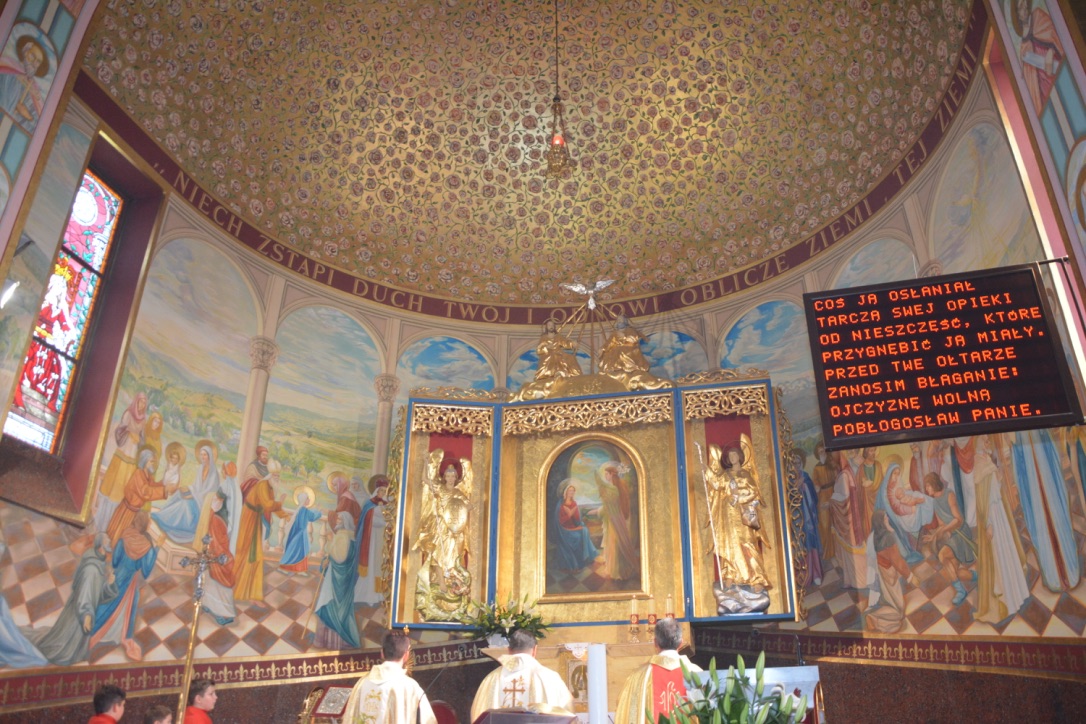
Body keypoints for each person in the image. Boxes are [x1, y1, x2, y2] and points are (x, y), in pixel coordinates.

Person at [30, 533, 118, 665]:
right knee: (65, 647)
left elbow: (96, 593)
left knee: (75, 640)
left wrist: (109, 585)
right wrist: (86, 614)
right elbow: (85, 594)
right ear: (101, 547)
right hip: (79, 612)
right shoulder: (91, 570)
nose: (110, 542)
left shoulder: (98, 562)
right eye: (107, 541)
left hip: (82, 608)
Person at [700, 439, 769, 590]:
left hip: (744, 513)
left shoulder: (745, 474)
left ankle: (756, 578)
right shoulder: (726, 475)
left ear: (739, 457)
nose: (732, 458)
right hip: (729, 514)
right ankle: (730, 575)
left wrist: (738, 497)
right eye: (730, 456)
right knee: (730, 543)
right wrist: (707, 471)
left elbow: (753, 492)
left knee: (748, 542)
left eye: (734, 455)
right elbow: (717, 483)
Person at [91, 511, 159, 661]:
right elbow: (146, 571)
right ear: (145, 525)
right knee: (128, 607)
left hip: (117, 577)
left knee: (106, 602)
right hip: (130, 582)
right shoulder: (146, 545)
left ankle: (94, 628)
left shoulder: (124, 537)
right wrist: (156, 549)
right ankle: (121, 635)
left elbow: (115, 562)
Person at [413, 451, 473, 620]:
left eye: (453, 475)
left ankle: (452, 581)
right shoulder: (439, 488)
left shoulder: (458, 493)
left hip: (453, 530)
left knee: (453, 557)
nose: (451, 478)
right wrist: (426, 463)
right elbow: (425, 479)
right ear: (444, 476)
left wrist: (458, 514)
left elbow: (469, 506)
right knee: (438, 554)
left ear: (456, 478)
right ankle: (440, 581)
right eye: (448, 475)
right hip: (440, 527)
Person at [469, 628, 574, 722]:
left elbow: (478, 715)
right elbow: (566, 715)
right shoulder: (550, 677)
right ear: (535, 650)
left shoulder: (491, 678)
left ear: (509, 650)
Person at [614, 618, 702, 723]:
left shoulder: (638, 676)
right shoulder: (698, 674)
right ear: (681, 643)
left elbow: (624, 710)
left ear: (655, 643)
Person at [341, 630, 436, 724]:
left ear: (382, 653)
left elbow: (349, 719)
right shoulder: (410, 687)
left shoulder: (361, 684)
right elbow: (428, 721)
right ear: (406, 655)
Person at [234, 459, 288, 601]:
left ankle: (251, 592)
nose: (277, 478)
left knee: (256, 556)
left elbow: (271, 506)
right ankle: (239, 590)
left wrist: (284, 515)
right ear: (270, 476)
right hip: (249, 519)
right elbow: (268, 505)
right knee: (246, 553)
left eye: (278, 476)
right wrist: (280, 503)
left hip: (255, 519)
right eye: (275, 476)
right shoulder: (263, 485)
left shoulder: (270, 488)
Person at [920, 472, 976, 606]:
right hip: (952, 535)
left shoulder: (949, 494)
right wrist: (934, 535)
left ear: (934, 484)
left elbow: (958, 520)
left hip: (961, 533)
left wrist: (944, 531)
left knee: (942, 556)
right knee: (954, 572)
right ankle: (975, 576)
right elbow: (941, 525)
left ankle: (961, 591)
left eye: (928, 486)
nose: (926, 489)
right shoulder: (935, 502)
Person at [96, 392, 148, 531]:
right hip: (122, 453)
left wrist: (139, 440)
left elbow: (143, 439)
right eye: (140, 402)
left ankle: (114, 525)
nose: (142, 405)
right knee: (113, 487)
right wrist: (130, 434)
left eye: (144, 403)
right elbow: (119, 431)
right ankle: (102, 523)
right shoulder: (128, 414)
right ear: (136, 402)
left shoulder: (144, 420)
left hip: (132, 457)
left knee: (124, 488)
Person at [106, 447, 173, 547]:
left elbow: (153, 486)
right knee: (120, 533)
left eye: (153, 461)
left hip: (134, 511)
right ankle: (112, 547)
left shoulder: (147, 475)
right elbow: (145, 492)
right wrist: (163, 490)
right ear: (145, 461)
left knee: (127, 536)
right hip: (127, 510)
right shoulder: (138, 473)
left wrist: (164, 484)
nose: (152, 464)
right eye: (151, 461)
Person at [153, 441, 216, 545]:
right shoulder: (201, 468)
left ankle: (172, 524)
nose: (203, 457)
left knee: (185, 503)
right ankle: (164, 514)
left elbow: (209, 492)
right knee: (179, 493)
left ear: (210, 456)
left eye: (205, 455)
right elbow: (196, 486)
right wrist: (188, 488)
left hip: (202, 502)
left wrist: (193, 495)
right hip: (196, 495)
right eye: (201, 455)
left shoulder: (213, 473)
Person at [314, 512, 361, 648]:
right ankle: (339, 641)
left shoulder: (342, 536)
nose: (338, 521)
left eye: (340, 519)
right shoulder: (351, 537)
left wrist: (330, 540)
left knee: (329, 605)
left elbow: (339, 558)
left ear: (345, 522)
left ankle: (329, 641)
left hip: (336, 580)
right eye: (338, 518)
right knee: (342, 611)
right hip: (344, 579)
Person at [193, 491, 237, 625]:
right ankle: (223, 613)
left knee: (209, 583)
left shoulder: (208, 517)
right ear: (209, 502)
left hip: (208, 558)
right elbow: (219, 543)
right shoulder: (216, 520)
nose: (219, 503)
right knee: (221, 587)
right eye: (216, 500)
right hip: (216, 558)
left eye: (221, 501)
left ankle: (207, 604)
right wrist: (228, 557)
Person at [597, 314, 671, 391]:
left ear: (625, 322)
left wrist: (623, 337)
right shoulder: (614, 333)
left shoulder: (630, 330)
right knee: (609, 353)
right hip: (618, 349)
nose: (619, 322)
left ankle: (627, 368)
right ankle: (612, 369)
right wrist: (602, 348)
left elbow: (634, 339)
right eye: (618, 320)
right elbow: (609, 343)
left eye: (621, 320)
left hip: (630, 348)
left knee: (620, 350)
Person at [596, 461, 638, 581]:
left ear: (611, 474)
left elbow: (610, 506)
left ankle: (617, 570)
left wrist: (597, 511)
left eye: (607, 474)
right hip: (616, 518)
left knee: (615, 543)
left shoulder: (613, 488)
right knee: (614, 543)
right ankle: (614, 569)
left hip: (615, 519)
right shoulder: (616, 486)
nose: (605, 476)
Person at [355, 474, 390, 604]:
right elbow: (369, 520)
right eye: (381, 490)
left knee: (379, 564)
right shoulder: (369, 504)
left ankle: (378, 594)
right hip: (371, 539)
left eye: (385, 491)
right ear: (376, 491)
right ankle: (367, 593)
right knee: (372, 563)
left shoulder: (387, 505)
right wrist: (384, 522)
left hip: (382, 539)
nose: (383, 493)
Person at [552, 480, 598, 572]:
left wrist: (574, 514)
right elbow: (560, 521)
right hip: (564, 529)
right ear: (566, 492)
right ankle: (577, 563)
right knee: (578, 536)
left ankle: (587, 557)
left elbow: (577, 519)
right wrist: (569, 515)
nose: (571, 492)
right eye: (570, 490)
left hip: (573, 526)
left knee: (584, 530)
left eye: (573, 491)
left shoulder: (574, 503)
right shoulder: (561, 505)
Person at [279, 487, 322, 574]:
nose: (309, 500)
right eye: (307, 498)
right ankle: (293, 569)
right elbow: (312, 517)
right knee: (299, 551)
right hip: (300, 534)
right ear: (304, 501)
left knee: (295, 551)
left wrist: (316, 510)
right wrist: (318, 511)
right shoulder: (304, 510)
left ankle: (296, 569)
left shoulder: (300, 509)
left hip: (296, 532)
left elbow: (309, 515)